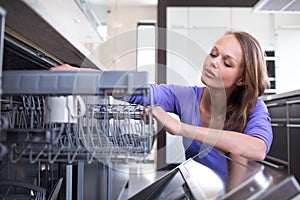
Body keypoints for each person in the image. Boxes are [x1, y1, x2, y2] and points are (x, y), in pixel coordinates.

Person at [50, 31, 273, 183]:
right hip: (203, 188)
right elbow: (138, 90)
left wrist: (180, 128)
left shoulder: (254, 108)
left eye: (227, 63)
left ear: (242, 79)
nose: (214, 62)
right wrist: (77, 73)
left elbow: (257, 149)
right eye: (213, 53)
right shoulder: (185, 97)